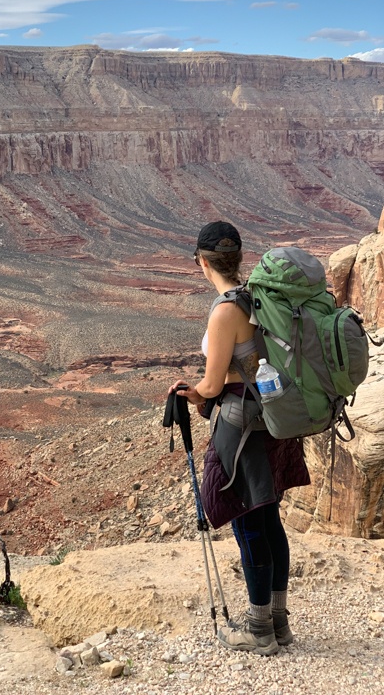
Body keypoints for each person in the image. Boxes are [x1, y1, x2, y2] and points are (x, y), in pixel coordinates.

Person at [169, 221, 310, 656]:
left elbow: (212, 386)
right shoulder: (256, 296)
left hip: (244, 425)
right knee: (270, 521)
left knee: (248, 521)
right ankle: (279, 623)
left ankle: (258, 629)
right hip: (274, 419)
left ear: (202, 262)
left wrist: (190, 394)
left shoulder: (225, 310)